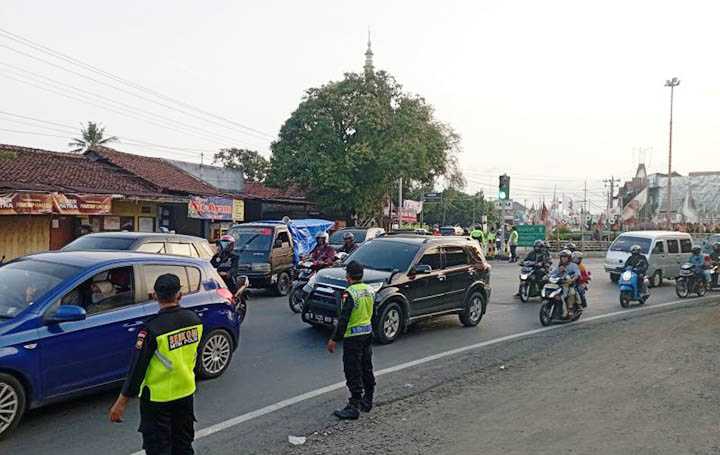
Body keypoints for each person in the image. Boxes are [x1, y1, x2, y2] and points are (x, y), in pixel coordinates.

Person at [109, 274, 203, 455]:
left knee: (159, 448)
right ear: (179, 295)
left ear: (155, 296)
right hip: (185, 392)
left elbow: (137, 369)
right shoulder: (194, 321)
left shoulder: (151, 329)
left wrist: (120, 403)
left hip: (157, 399)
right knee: (183, 445)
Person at [327, 261, 376, 420]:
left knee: (352, 370)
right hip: (367, 333)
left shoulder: (350, 293)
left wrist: (334, 339)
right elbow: (372, 313)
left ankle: (354, 405)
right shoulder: (370, 290)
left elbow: (344, 318)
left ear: (348, 276)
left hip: (353, 337)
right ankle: (367, 400)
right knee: (366, 367)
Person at [549, 249, 580, 318]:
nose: (563, 258)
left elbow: (577, 274)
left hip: (569, 285)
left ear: (569, 258)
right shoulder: (560, 266)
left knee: (571, 293)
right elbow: (553, 273)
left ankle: (570, 310)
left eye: (565, 257)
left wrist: (572, 280)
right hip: (559, 284)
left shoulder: (573, 265)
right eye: (562, 257)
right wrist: (547, 276)